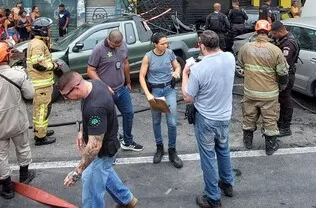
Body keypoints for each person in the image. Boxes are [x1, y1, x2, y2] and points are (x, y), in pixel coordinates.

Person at [58, 71, 138, 208]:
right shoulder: (94, 85)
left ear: (76, 88)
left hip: (102, 151)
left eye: (66, 95)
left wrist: (76, 173)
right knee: (103, 172)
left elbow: (94, 147)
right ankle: (127, 200)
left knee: (91, 191)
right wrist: (82, 131)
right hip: (106, 146)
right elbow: (88, 115)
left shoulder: (95, 106)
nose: (66, 99)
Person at [181, 31, 235, 208]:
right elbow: (215, 63)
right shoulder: (229, 58)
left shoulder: (198, 70)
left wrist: (185, 73)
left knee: (208, 157)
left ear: (202, 46)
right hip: (225, 116)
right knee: (223, 149)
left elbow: (188, 97)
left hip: (207, 119)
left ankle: (212, 197)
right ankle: (227, 184)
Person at [0, 42, 37, 199]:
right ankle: (24, 176)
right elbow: (30, 94)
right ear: (8, 56)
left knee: (1, 156)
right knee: (23, 147)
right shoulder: (19, 75)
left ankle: (7, 188)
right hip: (18, 121)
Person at [238, 20, 289, 155]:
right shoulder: (276, 50)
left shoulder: (245, 48)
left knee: (249, 116)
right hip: (269, 94)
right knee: (270, 119)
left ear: (256, 31)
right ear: (269, 32)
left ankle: (248, 142)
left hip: (250, 92)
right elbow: (283, 73)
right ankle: (270, 146)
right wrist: (282, 87)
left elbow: (240, 67)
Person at [87, 30, 143, 151]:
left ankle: (127, 141)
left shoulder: (123, 45)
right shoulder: (98, 49)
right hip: (106, 92)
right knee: (109, 120)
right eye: (113, 45)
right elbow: (90, 70)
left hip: (121, 88)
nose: (115, 48)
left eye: (118, 45)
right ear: (108, 39)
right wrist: (103, 86)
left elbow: (125, 63)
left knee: (129, 114)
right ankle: (109, 147)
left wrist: (128, 81)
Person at [139, 32, 183, 167]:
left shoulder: (169, 53)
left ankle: (172, 150)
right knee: (156, 121)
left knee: (172, 123)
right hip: (156, 92)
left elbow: (177, 66)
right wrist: (148, 94)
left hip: (169, 90)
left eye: (166, 43)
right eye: (163, 43)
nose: (166, 45)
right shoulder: (148, 57)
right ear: (155, 44)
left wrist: (177, 72)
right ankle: (159, 148)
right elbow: (141, 76)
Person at [27, 17, 58, 146]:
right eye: (48, 28)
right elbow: (38, 64)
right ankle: (40, 137)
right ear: (43, 30)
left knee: (41, 109)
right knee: (41, 110)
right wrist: (53, 66)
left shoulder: (38, 42)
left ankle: (41, 130)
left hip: (43, 84)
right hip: (41, 85)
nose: (50, 30)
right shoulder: (38, 44)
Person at [271, 21, 300, 137]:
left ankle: (285, 127)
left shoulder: (288, 44)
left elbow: (283, 63)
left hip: (286, 75)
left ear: (281, 31)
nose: (273, 36)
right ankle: (281, 122)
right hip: (285, 74)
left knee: (285, 100)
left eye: (274, 33)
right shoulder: (283, 39)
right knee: (282, 100)